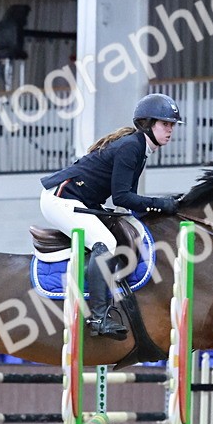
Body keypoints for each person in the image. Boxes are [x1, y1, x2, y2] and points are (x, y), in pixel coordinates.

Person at [39, 93, 184, 340]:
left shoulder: (140, 148)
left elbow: (131, 202)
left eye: (172, 125)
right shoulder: (131, 147)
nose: (170, 130)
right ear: (147, 124)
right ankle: (98, 316)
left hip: (80, 200)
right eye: (165, 124)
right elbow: (122, 198)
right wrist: (161, 204)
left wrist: (168, 206)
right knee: (105, 243)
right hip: (60, 200)